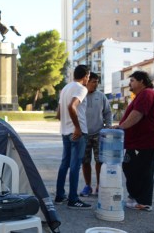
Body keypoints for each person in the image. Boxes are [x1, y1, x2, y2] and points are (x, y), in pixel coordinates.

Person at [113, 71, 154, 212]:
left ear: (141, 81)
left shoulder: (147, 94)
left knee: (143, 171)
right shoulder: (141, 95)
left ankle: (144, 202)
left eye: (132, 80)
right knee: (130, 167)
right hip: (139, 141)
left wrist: (121, 126)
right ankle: (135, 197)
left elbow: (137, 114)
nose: (130, 83)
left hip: (148, 140)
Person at [55, 64, 91, 209]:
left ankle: (59, 196)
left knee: (65, 164)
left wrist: (68, 123)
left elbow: (59, 113)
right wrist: (77, 126)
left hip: (65, 131)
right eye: (88, 76)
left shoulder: (65, 88)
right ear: (86, 76)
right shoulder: (82, 88)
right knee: (75, 165)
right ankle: (73, 199)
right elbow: (72, 106)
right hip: (77, 132)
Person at [79, 72, 112, 197]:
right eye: (93, 81)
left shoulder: (101, 96)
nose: (96, 84)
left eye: (97, 81)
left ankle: (99, 186)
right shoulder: (80, 95)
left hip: (99, 134)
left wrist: (108, 127)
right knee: (85, 161)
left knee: (100, 161)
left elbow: (108, 113)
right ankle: (88, 186)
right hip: (84, 134)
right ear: (87, 81)